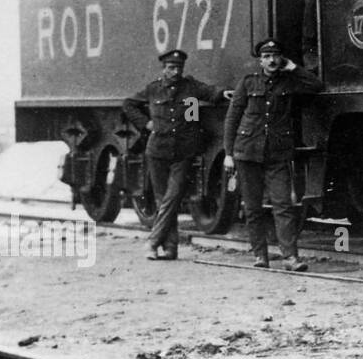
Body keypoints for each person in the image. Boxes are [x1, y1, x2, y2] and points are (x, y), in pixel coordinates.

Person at [223, 39, 324, 271]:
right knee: (253, 207)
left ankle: (290, 257)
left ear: (281, 59)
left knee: (283, 205)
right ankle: (260, 255)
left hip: (277, 154)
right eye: (267, 56)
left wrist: (294, 68)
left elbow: (317, 86)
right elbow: (232, 119)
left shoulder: (290, 81)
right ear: (260, 60)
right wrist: (228, 153)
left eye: (276, 56)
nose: (272, 60)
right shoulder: (248, 83)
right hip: (247, 153)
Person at [122, 50, 226, 261]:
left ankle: (152, 242)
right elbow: (129, 104)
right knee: (163, 200)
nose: (176, 71)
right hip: (157, 151)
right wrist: (146, 124)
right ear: (164, 69)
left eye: (179, 68)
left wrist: (226, 93)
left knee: (173, 196)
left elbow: (212, 93)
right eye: (171, 68)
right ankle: (171, 249)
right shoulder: (153, 89)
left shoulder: (191, 87)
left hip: (183, 151)